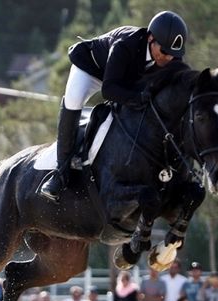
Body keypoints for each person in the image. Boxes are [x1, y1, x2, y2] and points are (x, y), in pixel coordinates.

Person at [39, 10, 188, 201]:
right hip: (92, 70)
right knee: (74, 101)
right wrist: (137, 97)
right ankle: (60, 173)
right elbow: (109, 90)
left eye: (173, 54)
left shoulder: (171, 57)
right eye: (165, 52)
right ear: (151, 38)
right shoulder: (126, 45)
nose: (168, 58)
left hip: (123, 79)